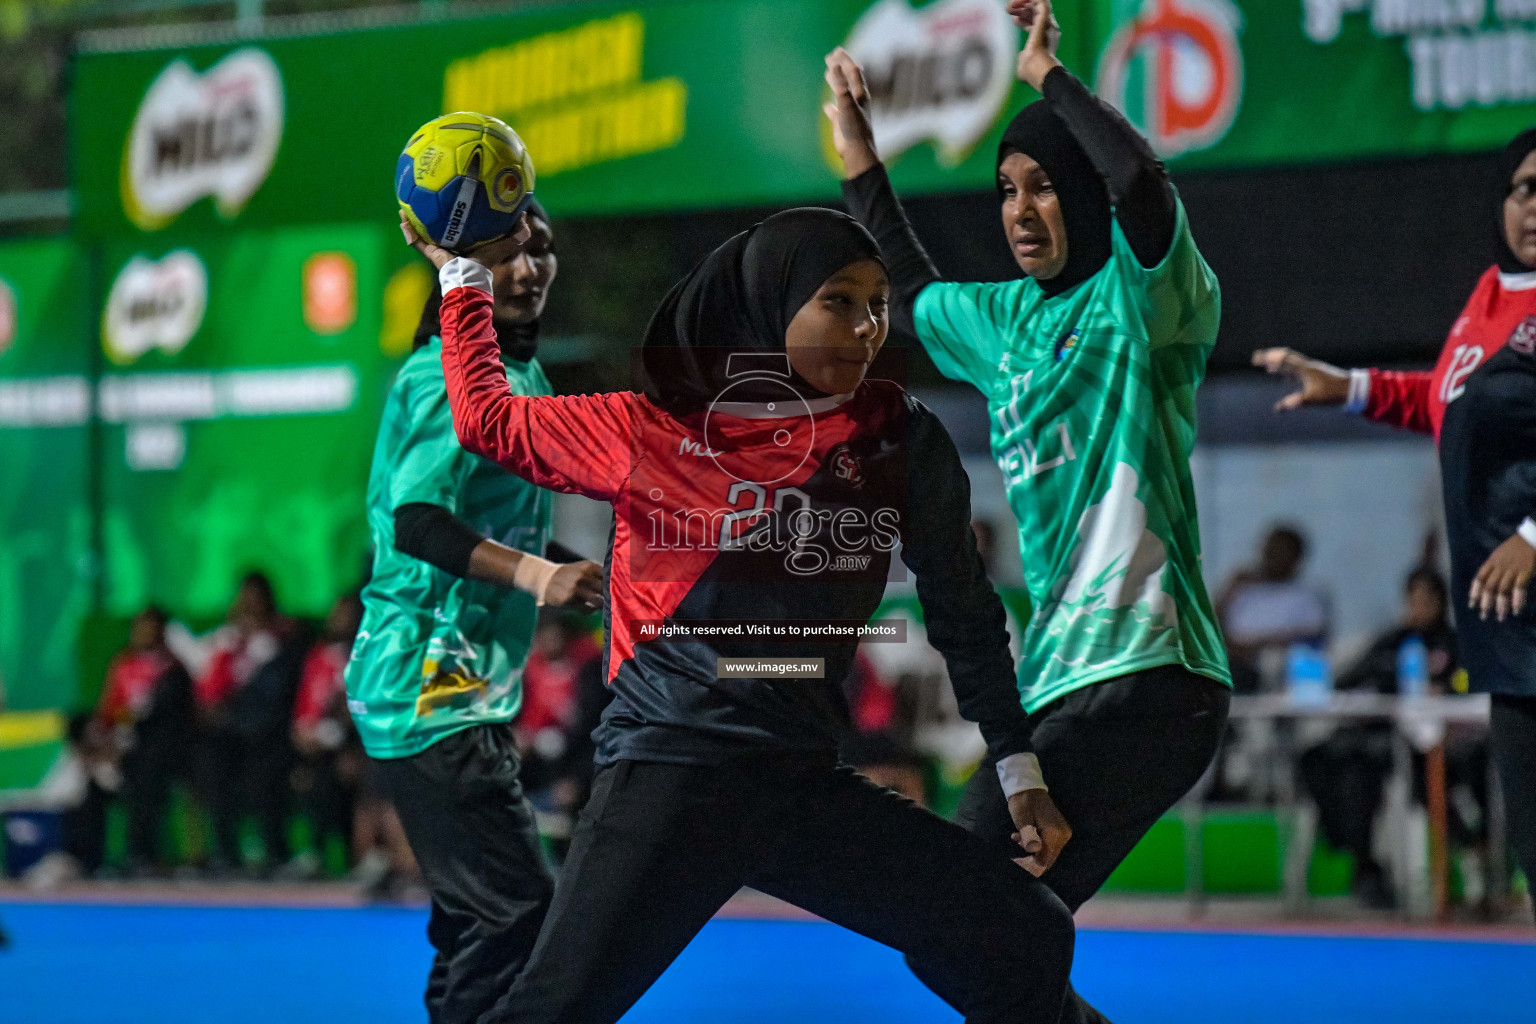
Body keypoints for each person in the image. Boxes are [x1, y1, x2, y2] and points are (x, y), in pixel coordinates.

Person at [411, 203, 1075, 1024]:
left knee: (1026, 933)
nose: (867, 326)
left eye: (877, 303)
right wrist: (462, 277)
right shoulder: (647, 431)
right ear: (769, 300)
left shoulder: (899, 438)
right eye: (838, 300)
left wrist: (1018, 765)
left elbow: (965, 612)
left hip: (801, 782)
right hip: (670, 776)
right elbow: (487, 420)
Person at [823, 1, 1229, 1014]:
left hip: (1151, 672)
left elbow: (1141, 184)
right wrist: (859, 157)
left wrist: (1048, 75)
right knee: (955, 909)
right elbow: (907, 280)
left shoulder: (1148, 298)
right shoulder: (1001, 321)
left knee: (981, 909)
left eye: (1045, 186)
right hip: (1052, 684)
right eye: (1006, 190)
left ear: (1081, 196)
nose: (1020, 211)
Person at [1254, 126, 1536, 922]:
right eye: (1525, 188)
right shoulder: (1491, 295)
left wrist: (1533, 537)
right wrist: (1343, 386)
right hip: (1510, 634)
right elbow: (1451, 406)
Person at [346, 197, 603, 1024]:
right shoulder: (434, 378)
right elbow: (419, 523)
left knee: (471, 923)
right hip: (423, 686)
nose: (527, 270)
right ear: (463, 275)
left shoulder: (521, 378)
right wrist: (538, 578)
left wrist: (597, 578)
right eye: (502, 256)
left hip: (466, 690)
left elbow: (500, 528)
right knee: (519, 911)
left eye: (541, 251)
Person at [1299, 566, 1462, 908]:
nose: (1417, 607)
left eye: (1425, 599)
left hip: (1419, 745)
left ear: (1440, 601)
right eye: (1412, 599)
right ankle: (1352, 849)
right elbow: (1345, 680)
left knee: (1361, 775)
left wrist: (1443, 691)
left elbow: (1464, 688)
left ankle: (1367, 867)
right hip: (1370, 733)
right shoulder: (1393, 639)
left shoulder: (1453, 644)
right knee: (1314, 758)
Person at [195, 571, 305, 876]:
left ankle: (274, 852)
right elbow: (212, 688)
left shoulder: (283, 637)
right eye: (246, 597)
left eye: (256, 597)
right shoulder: (229, 640)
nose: (250, 604)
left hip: (269, 731)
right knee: (213, 761)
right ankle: (225, 852)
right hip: (230, 731)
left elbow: (280, 691)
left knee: (265, 769)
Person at [95, 606, 194, 874]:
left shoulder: (174, 670)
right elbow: (107, 710)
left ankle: (140, 854)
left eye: (150, 628)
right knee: (85, 780)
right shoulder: (123, 664)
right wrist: (103, 739)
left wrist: (127, 739)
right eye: (139, 628)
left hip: (156, 748)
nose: (144, 634)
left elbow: (168, 717)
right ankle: (90, 858)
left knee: (146, 772)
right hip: (119, 744)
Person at [286, 593, 365, 879]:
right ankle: (312, 852)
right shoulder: (319, 655)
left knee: (343, 775)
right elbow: (305, 704)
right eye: (336, 613)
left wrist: (349, 746)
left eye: (345, 614)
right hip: (316, 746)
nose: (338, 620)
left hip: (355, 746)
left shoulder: (366, 656)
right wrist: (302, 734)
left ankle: (355, 856)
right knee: (309, 774)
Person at [1216, 526, 1332, 692]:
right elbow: (1214, 628)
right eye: (1270, 550)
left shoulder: (1307, 595)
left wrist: (1261, 646)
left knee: (1301, 664)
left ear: (1297, 557)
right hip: (1241, 666)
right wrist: (1230, 589)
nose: (1273, 557)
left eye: (1282, 551)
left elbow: (1313, 636)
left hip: (1291, 668)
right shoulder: (1244, 592)